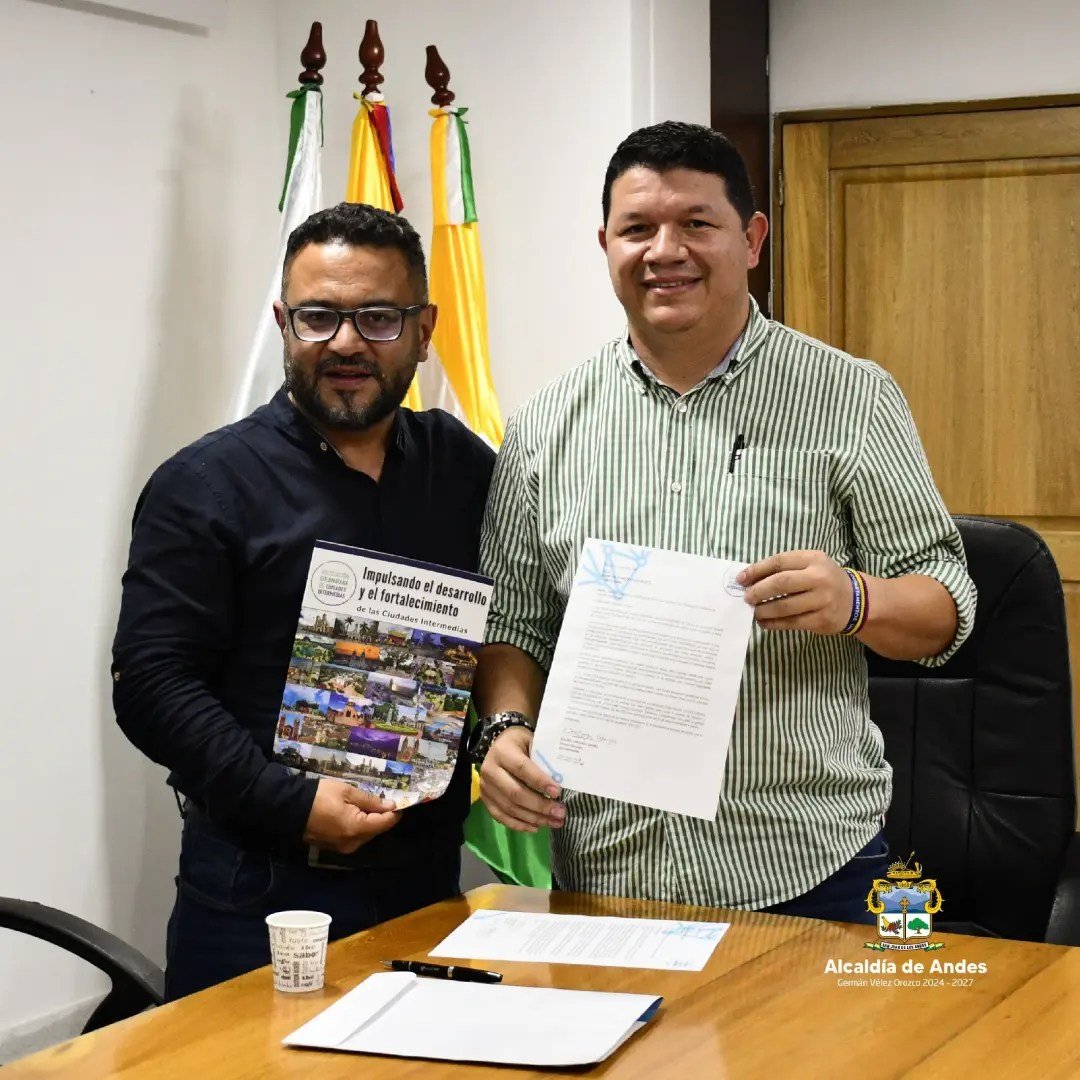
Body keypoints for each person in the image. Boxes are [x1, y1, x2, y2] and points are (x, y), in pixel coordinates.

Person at [471, 122, 976, 923]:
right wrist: (505, 729)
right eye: (637, 228)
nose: (664, 251)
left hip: (806, 866)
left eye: (696, 223)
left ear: (752, 238)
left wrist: (856, 599)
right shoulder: (543, 426)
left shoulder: (851, 397)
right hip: (603, 871)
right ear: (605, 245)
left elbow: (946, 604)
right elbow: (515, 624)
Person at [113, 203, 494, 998]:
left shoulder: (462, 467)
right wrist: (290, 803)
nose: (346, 342)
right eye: (319, 316)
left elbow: (513, 624)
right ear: (284, 324)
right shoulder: (204, 485)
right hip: (259, 893)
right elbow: (151, 684)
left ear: (425, 330)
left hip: (428, 882)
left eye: (379, 317)